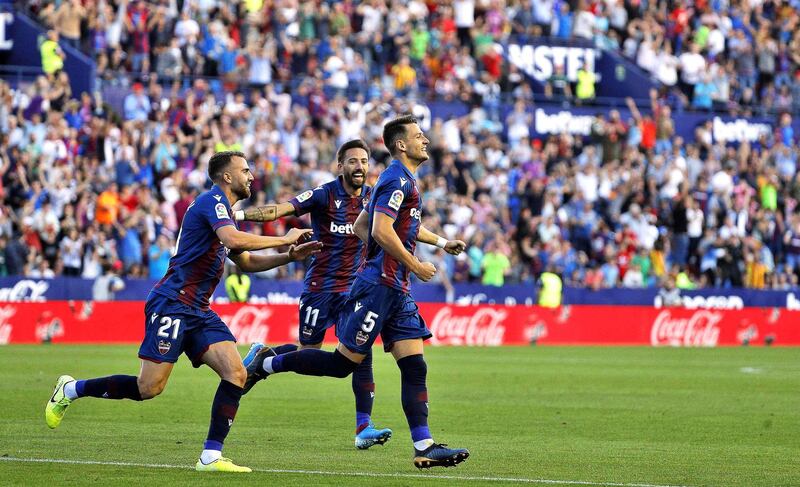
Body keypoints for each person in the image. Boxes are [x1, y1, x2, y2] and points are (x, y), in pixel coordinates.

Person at [44, 151, 321, 473]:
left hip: (198, 309)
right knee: (149, 388)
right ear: (227, 176)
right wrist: (281, 236)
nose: (251, 175)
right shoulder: (211, 202)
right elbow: (232, 239)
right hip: (172, 303)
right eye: (245, 170)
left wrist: (288, 255)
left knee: (236, 374)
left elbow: (244, 261)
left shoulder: (225, 213)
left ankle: (210, 456)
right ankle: (71, 389)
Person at [243, 116, 471, 469]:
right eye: (418, 136)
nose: (426, 140)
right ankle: (268, 363)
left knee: (415, 365)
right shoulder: (394, 180)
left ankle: (423, 445)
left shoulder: (394, 181)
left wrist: (435, 244)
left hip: (393, 288)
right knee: (340, 364)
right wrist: (409, 263)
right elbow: (379, 229)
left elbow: (364, 225)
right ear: (400, 145)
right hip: (377, 286)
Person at [236, 139, 393, 449]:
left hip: (355, 290)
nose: (359, 166)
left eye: (363, 161)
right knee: (308, 351)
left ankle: (364, 428)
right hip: (320, 288)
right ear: (340, 166)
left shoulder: (375, 199)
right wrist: (236, 218)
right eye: (352, 161)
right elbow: (280, 210)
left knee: (361, 355)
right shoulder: (324, 194)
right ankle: (264, 356)